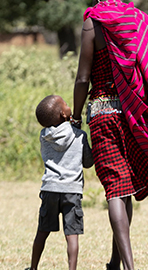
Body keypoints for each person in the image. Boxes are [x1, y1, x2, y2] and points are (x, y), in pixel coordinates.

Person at [73, 0, 148, 270]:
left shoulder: (93, 22)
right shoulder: (137, 23)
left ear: (97, 2)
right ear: (122, 2)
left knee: (114, 189)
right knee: (125, 186)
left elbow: (83, 78)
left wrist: (75, 115)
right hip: (132, 116)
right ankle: (114, 262)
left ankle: (129, 266)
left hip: (103, 115)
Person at [27, 95, 94, 270]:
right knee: (72, 235)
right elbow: (88, 162)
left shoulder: (44, 135)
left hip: (50, 188)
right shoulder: (79, 135)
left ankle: (33, 267)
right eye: (65, 104)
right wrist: (79, 133)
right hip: (72, 190)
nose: (67, 104)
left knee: (42, 231)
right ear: (63, 114)